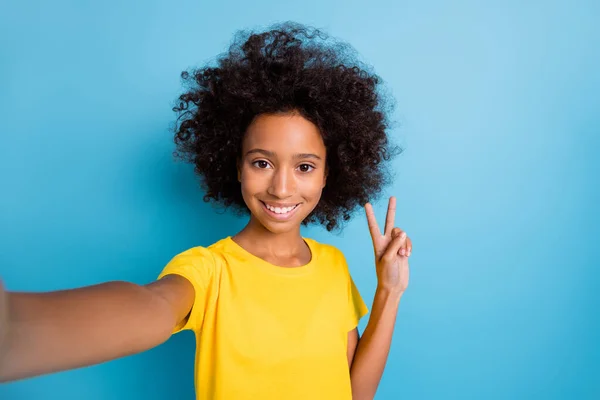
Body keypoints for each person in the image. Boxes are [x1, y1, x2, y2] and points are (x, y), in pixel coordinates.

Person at [0, 22, 413, 400]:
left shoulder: (334, 267)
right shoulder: (208, 269)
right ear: (235, 166)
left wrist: (389, 291)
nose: (282, 187)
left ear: (328, 174)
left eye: (304, 167)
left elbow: (356, 393)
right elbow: (153, 306)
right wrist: (16, 329)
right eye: (261, 162)